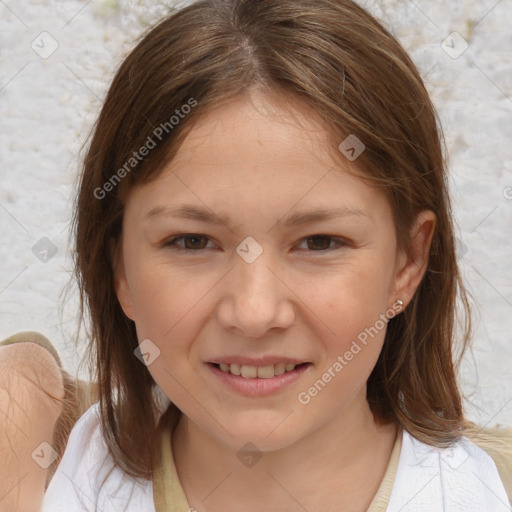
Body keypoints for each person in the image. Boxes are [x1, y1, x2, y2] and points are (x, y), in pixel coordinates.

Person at [2, 0, 511, 510]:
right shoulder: (39, 462)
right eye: (192, 242)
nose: (253, 312)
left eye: (319, 243)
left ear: (407, 264)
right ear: (120, 269)